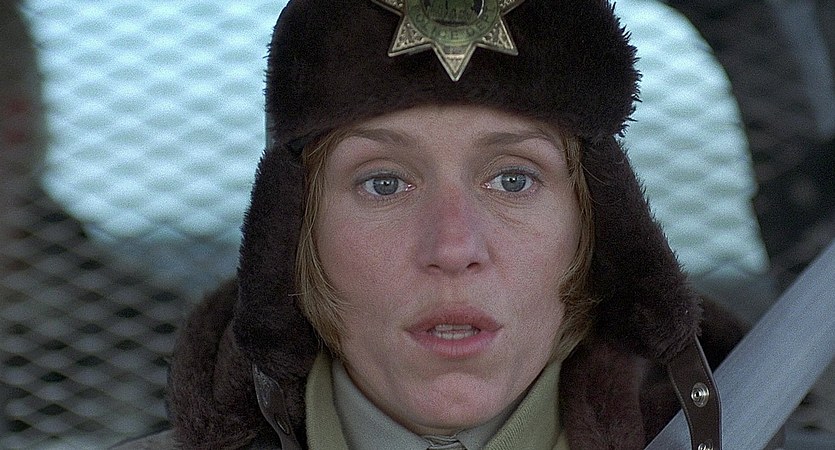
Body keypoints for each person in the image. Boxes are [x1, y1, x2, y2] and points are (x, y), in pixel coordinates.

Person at [119, 0, 748, 448]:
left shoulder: (766, 425)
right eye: (384, 183)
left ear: (595, 228)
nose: (453, 247)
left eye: (513, 180)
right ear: (296, 234)